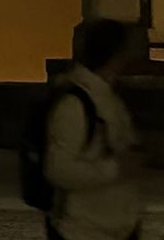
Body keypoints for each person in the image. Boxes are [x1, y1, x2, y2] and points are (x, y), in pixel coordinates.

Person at [42, 18, 144, 240]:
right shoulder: (76, 104)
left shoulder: (107, 97)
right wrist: (115, 168)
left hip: (113, 228)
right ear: (114, 54)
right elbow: (58, 169)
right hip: (84, 230)